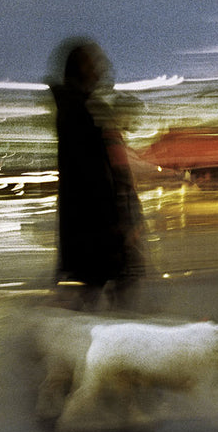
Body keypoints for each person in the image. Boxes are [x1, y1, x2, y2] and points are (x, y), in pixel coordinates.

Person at [51, 39, 147, 310]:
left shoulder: (80, 109)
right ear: (79, 70)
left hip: (94, 229)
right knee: (107, 294)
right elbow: (94, 176)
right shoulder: (80, 113)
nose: (101, 71)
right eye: (93, 65)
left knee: (96, 294)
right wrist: (120, 223)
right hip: (98, 230)